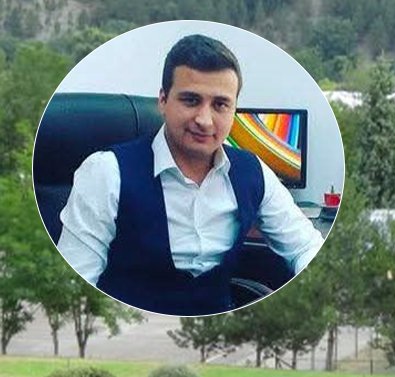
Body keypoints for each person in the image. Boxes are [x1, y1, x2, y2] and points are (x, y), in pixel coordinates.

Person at [56, 34, 323, 316]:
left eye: (220, 104)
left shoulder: (253, 171)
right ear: (163, 100)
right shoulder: (106, 172)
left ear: (234, 109)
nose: (205, 120)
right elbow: (73, 286)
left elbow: (306, 247)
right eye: (191, 100)